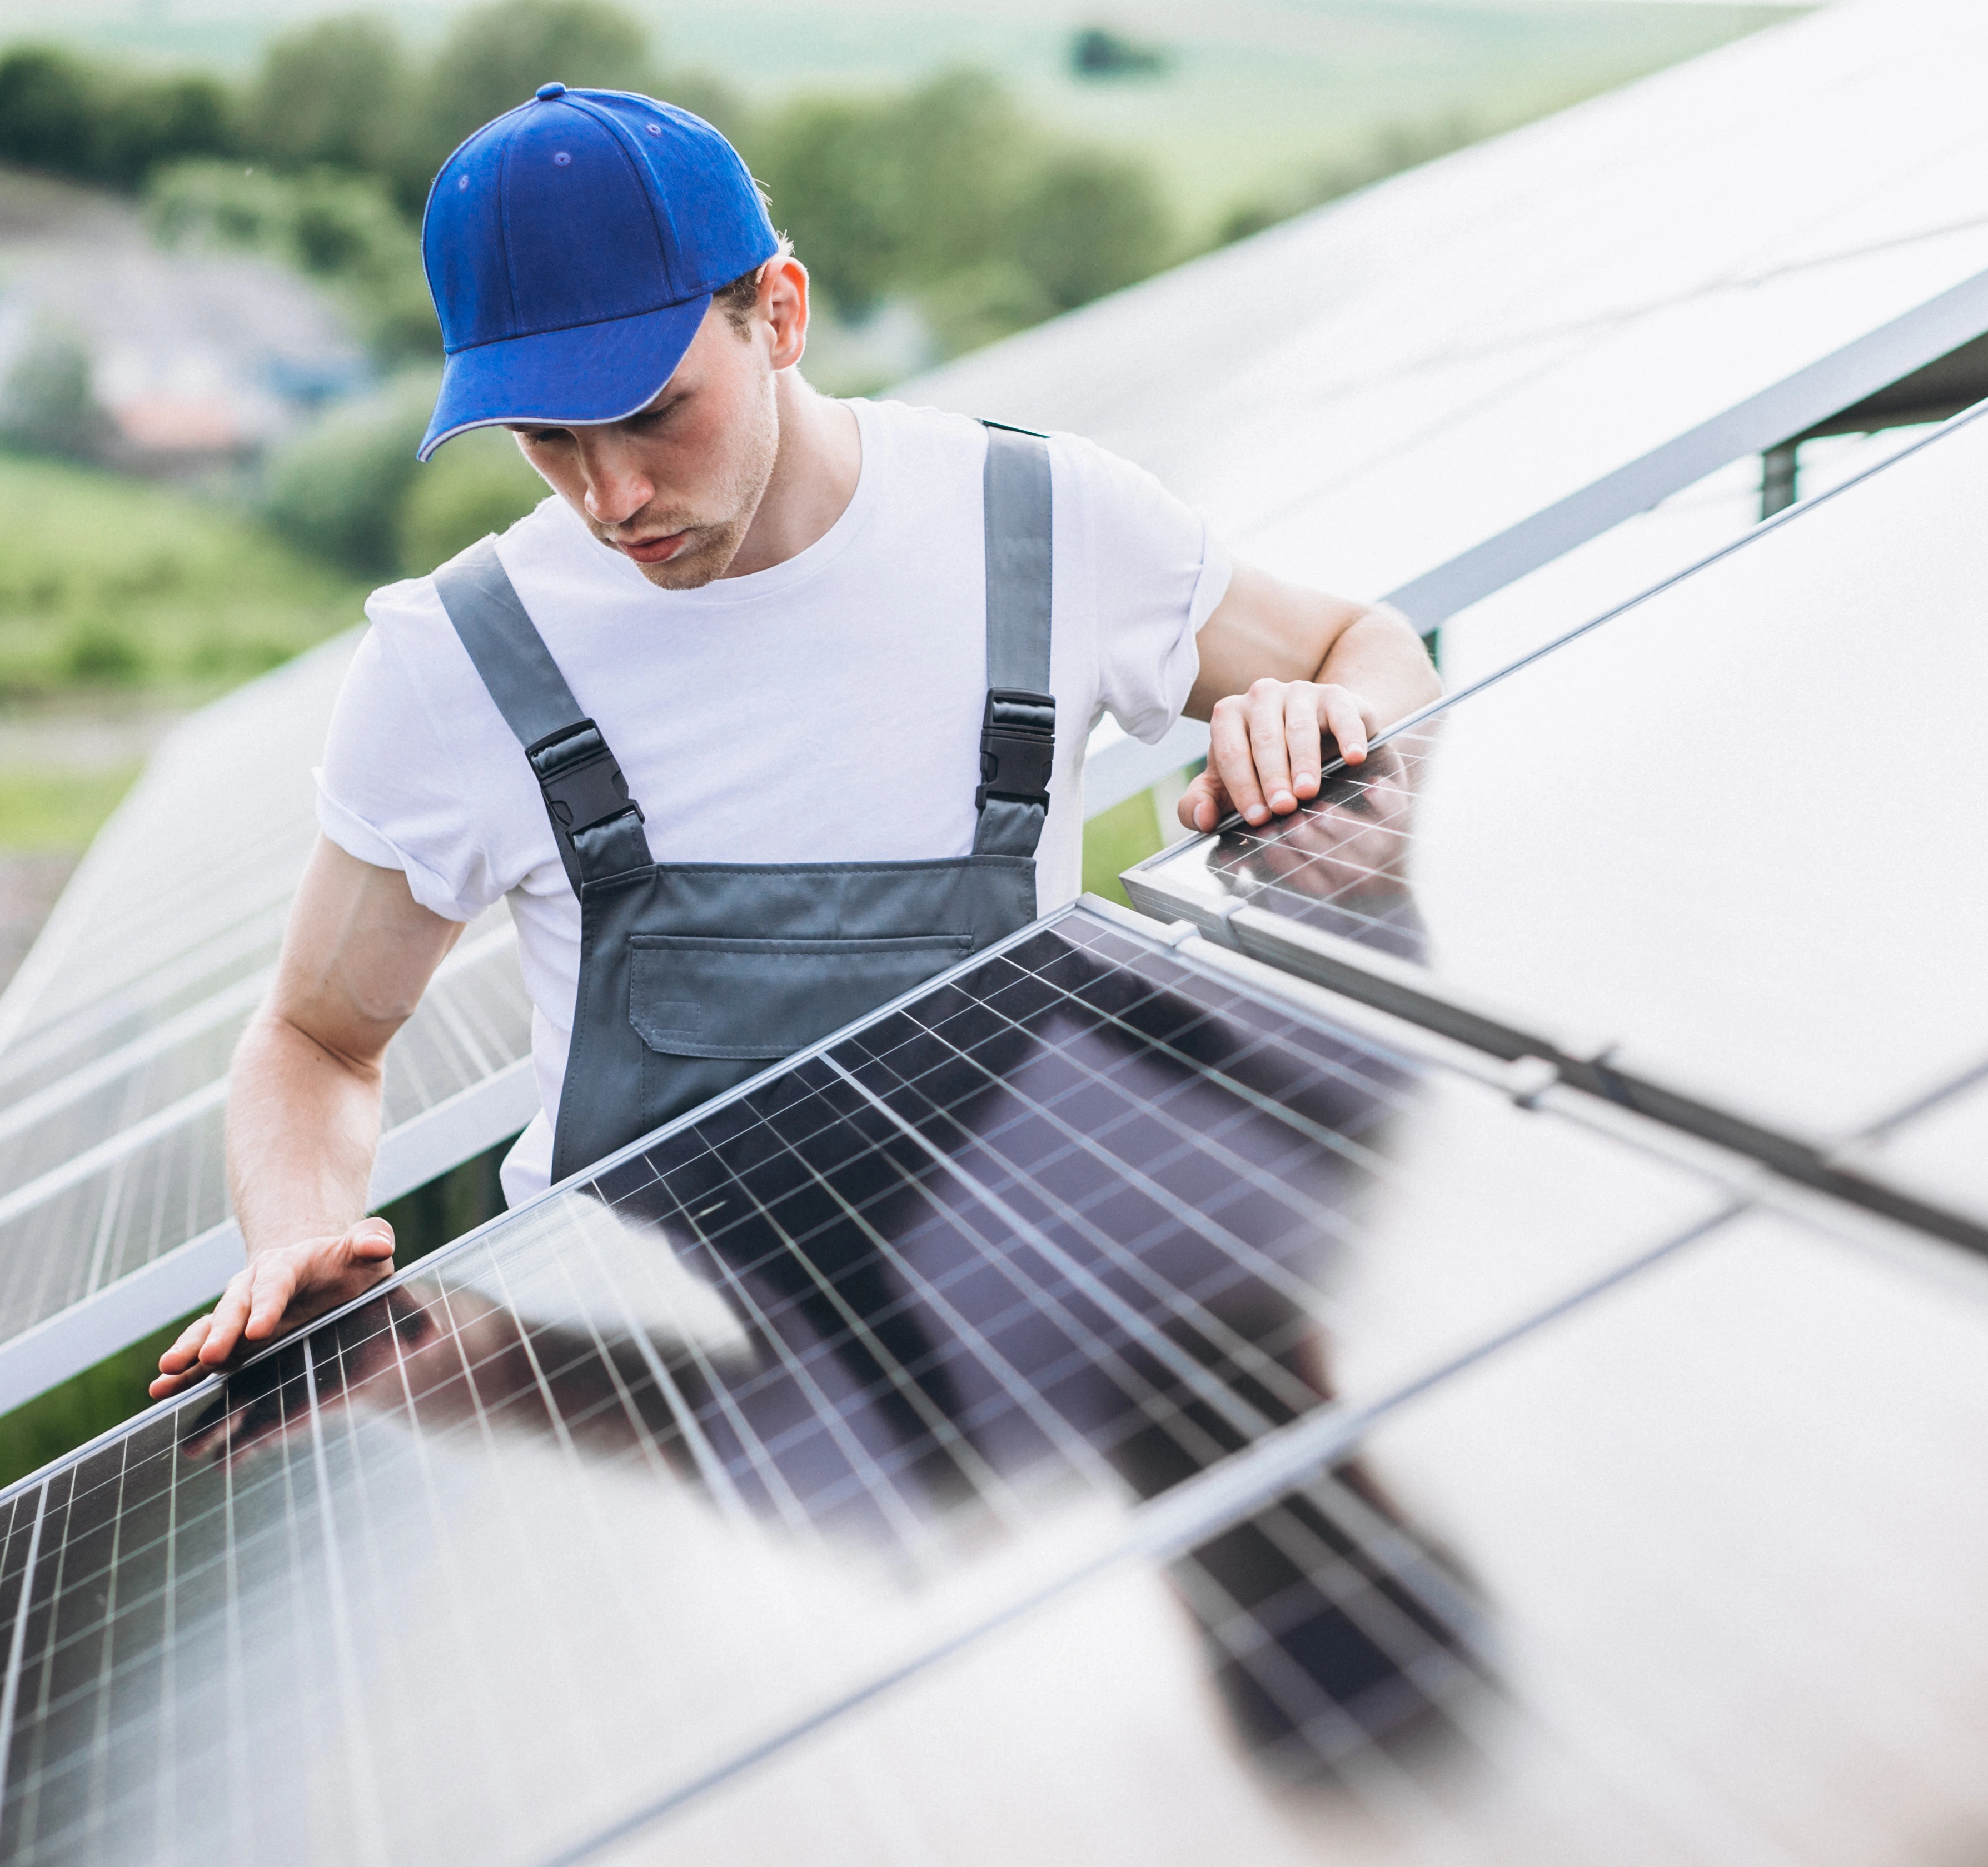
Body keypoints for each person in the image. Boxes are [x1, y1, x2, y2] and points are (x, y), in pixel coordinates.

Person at [151, 83, 1438, 1400]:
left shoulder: (1043, 528)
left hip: (1021, 1358)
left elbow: (1368, 645)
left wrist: (1334, 727)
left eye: (653, 410)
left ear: (780, 312)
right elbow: (316, 1037)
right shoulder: (455, 663)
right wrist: (301, 1233)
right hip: (644, 1413)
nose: (613, 496)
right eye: (546, 436)